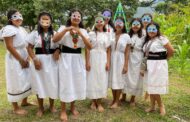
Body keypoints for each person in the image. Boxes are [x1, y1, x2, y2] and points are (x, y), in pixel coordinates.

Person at [52, 9, 92, 121]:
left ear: (81, 19)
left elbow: (89, 47)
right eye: (74, 15)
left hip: (77, 59)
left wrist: (80, 34)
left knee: (75, 81)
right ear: (70, 17)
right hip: (65, 57)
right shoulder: (62, 28)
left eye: (79, 16)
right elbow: (55, 40)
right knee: (65, 82)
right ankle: (63, 110)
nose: (76, 17)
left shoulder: (83, 31)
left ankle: (73, 107)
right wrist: (66, 30)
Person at [27, 11, 60, 117]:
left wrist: (58, 51)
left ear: (50, 21)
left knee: (52, 82)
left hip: (52, 61)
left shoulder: (55, 33)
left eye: (47, 19)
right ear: (39, 21)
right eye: (43, 19)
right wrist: (35, 59)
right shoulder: (34, 33)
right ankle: (40, 107)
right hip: (39, 61)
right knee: (39, 83)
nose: (45, 21)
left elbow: (60, 46)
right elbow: (29, 47)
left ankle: (51, 106)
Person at [1, 9, 32, 115]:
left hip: (24, 55)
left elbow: (27, 44)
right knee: (15, 80)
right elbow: (9, 46)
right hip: (15, 58)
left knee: (27, 78)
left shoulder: (22, 29)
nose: (18, 18)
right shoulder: (8, 29)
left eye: (20, 16)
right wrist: (20, 60)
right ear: (10, 19)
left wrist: (27, 57)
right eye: (15, 16)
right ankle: (15, 107)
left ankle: (24, 101)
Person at [143, 22, 174, 116]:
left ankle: (161, 106)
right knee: (151, 86)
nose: (151, 31)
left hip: (158, 65)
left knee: (155, 86)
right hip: (149, 65)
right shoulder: (148, 40)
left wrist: (164, 60)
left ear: (157, 29)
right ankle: (152, 106)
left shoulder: (162, 38)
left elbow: (171, 51)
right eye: (149, 29)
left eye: (153, 29)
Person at [86, 15, 110, 112]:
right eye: (97, 22)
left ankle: (99, 102)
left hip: (103, 58)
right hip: (93, 57)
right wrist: (87, 62)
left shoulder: (107, 35)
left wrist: (108, 62)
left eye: (101, 21)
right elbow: (87, 48)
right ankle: (93, 101)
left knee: (101, 79)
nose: (99, 23)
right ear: (95, 24)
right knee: (92, 78)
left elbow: (108, 50)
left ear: (103, 23)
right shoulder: (90, 34)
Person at [109, 17, 130, 108]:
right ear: (114, 24)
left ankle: (117, 101)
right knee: (112, 78)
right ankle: (114, 99)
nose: (118, 25)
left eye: (120, 23)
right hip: (111, 58)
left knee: (119, 79)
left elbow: (127, 52)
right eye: (117, 23)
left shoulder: (126, 36)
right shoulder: (111, 34)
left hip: (121, 58)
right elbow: (108, 48)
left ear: (123, 25)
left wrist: (125, 65)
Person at [124, 18, 145, 107]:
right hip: (128, 57)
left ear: (140, 26)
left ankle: (133, 98)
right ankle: (123, 96)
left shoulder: (144, 35)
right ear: (131, 25)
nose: (135, 26)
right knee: (125, 76)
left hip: (138, 57)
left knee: (136, 78)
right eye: (134, 24)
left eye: (137, 24)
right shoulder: (127, 35)